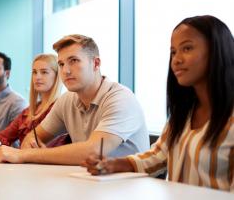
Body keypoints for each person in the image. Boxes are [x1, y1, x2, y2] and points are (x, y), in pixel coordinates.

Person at [83, 15, 234, 192]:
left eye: (187, 48)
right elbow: (159, 155)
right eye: (173, 52)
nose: (176, 60)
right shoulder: (184, 113)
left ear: (217, 50)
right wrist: (112, 164)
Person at [0, 34, 149, 165]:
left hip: (130, 189)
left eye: (74, 61)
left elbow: (94, 151)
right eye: (61, 64)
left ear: (95, 63)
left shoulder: (120, 98)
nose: (66, 71)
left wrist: (25, 155)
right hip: (90, 184)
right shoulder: (67, 100)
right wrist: (31, 147)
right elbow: (32, 137)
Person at [0, 53, 62, 146]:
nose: (37, 77)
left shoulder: (59, 108)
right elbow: (2, 136)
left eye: (44, 72)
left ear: (57, 76)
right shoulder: (28, 111)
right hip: (24, 159)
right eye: (34, 72)